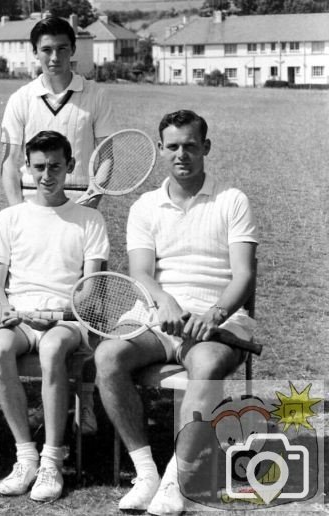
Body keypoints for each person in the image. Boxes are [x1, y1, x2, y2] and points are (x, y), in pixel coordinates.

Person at [94, 110, 258, 515]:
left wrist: (214, 314)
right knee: (107, 356)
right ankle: (146, 471)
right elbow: (141, 273)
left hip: (216, 321)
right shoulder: (145, 206)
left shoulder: (232, 200)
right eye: (172, 146)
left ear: (205, 148)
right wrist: (163, 302)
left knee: (204, 366)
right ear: (160, 150)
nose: (180, 154)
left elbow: (244, 275)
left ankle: (177, 477)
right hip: (155, 317)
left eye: (189, 145)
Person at [0, 131, 109, 502]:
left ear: (70, 166)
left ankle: (53, 459)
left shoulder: (90, 220)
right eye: (38, 166)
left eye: (55, 166)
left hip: (68, 322)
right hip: (21, 318)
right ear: (26, 168)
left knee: (53, 349)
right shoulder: (9, 217)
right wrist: (6, 309)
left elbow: (90, 290)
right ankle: (26, 456)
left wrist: (58, 312)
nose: (46, 174)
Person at [1, 16, 115, 207]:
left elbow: (106, 159)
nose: (55, 57)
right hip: (31, 199)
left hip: (80, 199)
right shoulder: (20, 98)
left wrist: (90, 203)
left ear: (73, 49)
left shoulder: (97, 95)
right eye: (46, 50)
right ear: (35, 52)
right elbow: (8, 163)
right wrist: (17, 209)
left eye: (62, 48)